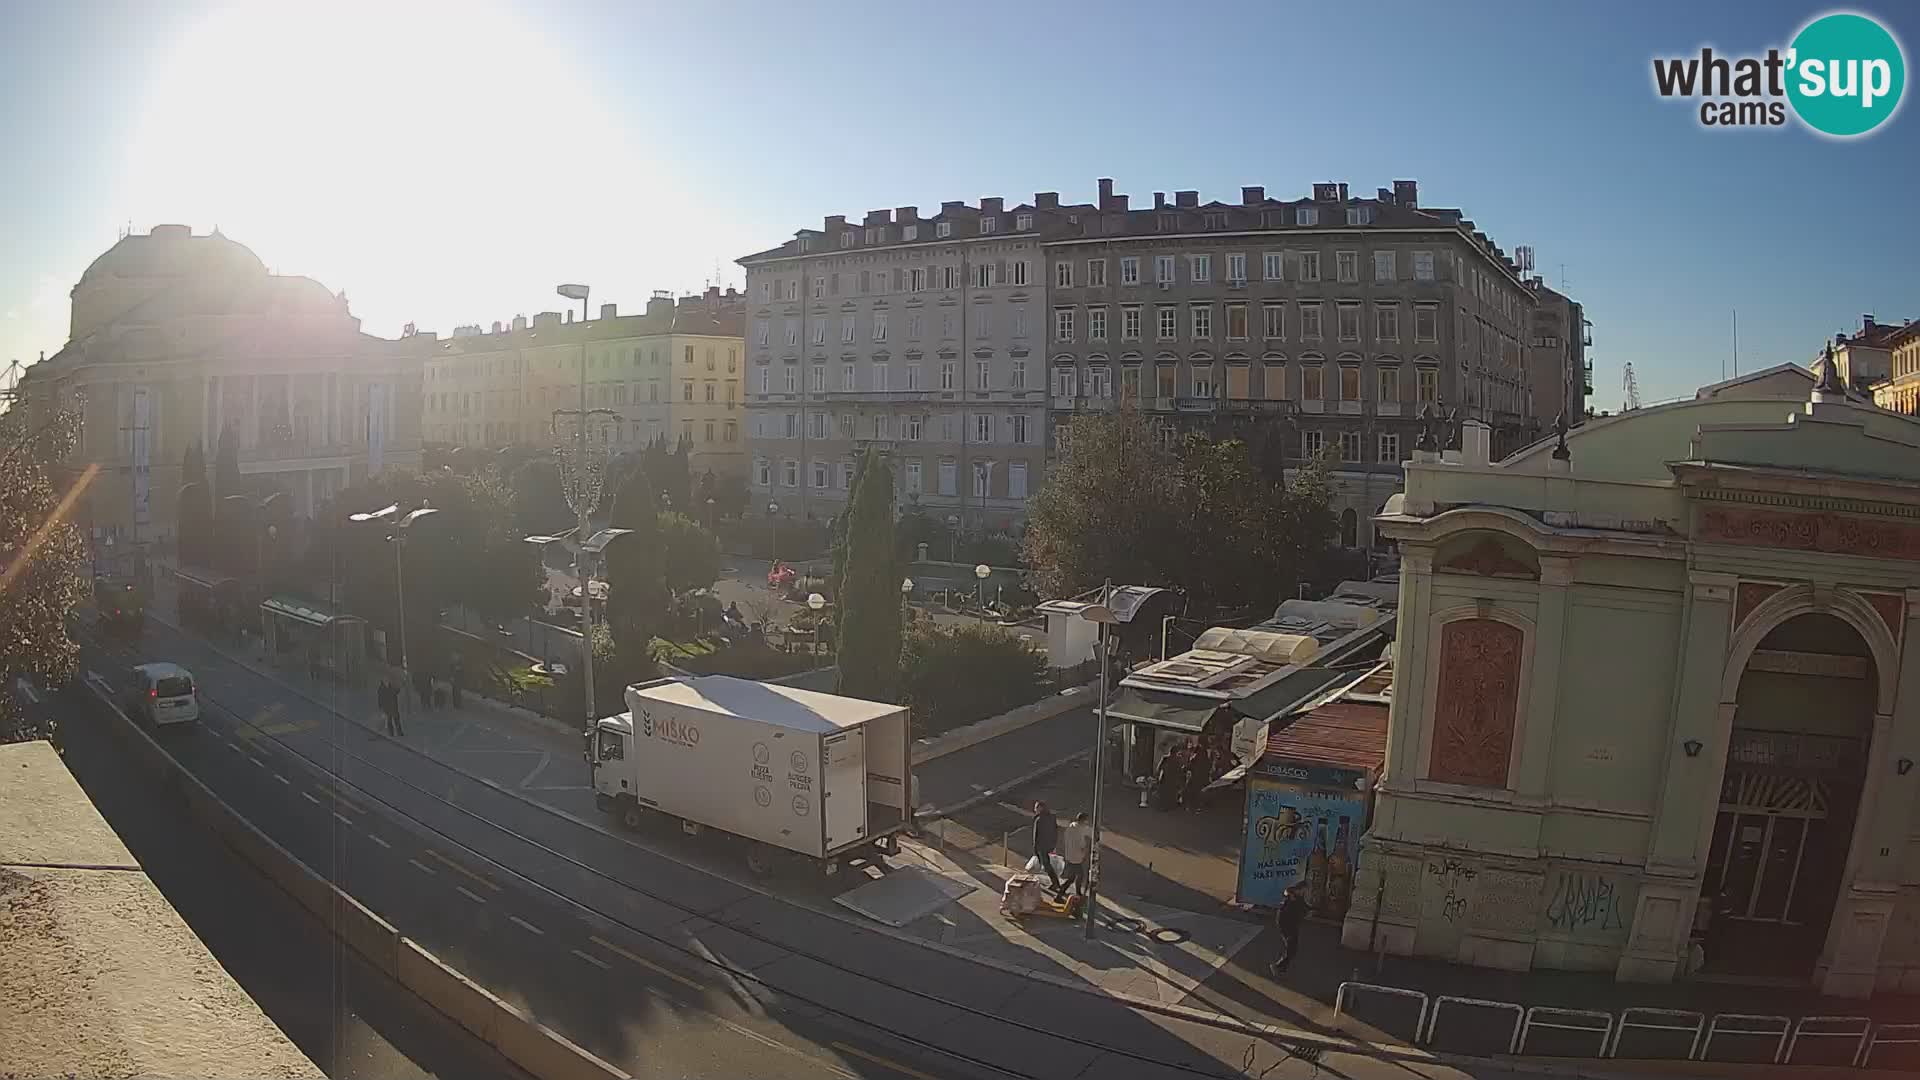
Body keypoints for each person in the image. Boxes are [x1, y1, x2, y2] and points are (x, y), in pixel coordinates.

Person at [1270, 883, 1312, 975]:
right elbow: (1285, 912)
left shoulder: (1299, 897)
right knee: (1291, 948)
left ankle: (1281, 968)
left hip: (1293, 925)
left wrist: (1311, 909)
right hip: (1287, 926)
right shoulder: (1290, 897)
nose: (1307, 892)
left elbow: (1304, 906)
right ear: (1301, 889)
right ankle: (1277, 967)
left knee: (1293, 949)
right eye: (1306, 890)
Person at [1055, 812, 1091, 902]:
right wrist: (1085, 851)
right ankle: (1061, 895)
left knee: (1073, 877)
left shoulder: (1070, 828)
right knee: (1078, 876)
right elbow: (1081, 845)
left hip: (1070, 856)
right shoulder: (1079, 830)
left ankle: (1070, 893)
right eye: (1086, 821)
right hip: (1076, 858)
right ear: (1083, 820)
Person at [1029, 800, 1061, 894]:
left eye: (1036, 807)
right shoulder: (1051, 817)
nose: (1035, 809)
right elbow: (1055, 831)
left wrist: (1035, 848)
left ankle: (1055, 883)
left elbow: (1036, 835)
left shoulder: (1039, 819)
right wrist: (1054, 844)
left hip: (1041, 846)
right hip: (1049, 845)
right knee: (1046, 864)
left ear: (1040, 808)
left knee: (1046, 865)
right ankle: (1055, 882)